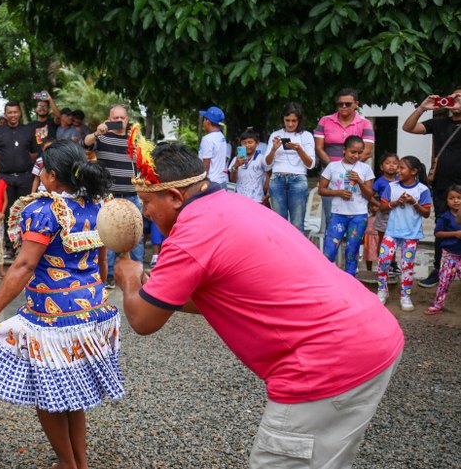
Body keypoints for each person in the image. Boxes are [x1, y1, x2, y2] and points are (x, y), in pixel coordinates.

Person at [115, 141, 403, 469]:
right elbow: (220, 296)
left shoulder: (189, 235)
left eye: (147, 202)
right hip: (371, 334)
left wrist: (127, 278)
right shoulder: (229, 204)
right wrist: (161, 292)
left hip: (325, 360)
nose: (145, 212)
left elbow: (142, 320)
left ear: (176, 197)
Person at [0, 139, 123, 469]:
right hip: (92, 313)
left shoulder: (42, 211)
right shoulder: (97, 205)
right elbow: (103, 259)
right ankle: (78, 462)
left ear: (51, 176)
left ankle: (69, 464)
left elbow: (23, 266)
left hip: (54, 322)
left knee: (50, 397)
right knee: (72, 395)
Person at [402, 89, 461, 289]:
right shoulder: (439, 123)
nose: (457, 100)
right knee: (442, 226)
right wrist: (422, 108)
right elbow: (408, 127)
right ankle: (439, 269)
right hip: (442, 187)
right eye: (454, 96)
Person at [83, 105, 144, 284]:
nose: (119, 121)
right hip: (109, 196)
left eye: (122, 118)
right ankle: (107, 275)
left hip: (132, 195)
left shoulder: (135, 140)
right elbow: (84, 143)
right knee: (108, 234)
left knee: (135, 235)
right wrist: (96, 133)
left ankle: (138, 273)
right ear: (109, 119)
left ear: (127, 119)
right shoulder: (102, 137)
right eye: (115, 118)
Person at [314, 88, 375, 232]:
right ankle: (333, 254)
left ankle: (351, 251)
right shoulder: (325, 121)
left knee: (355, 213)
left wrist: (348, 167)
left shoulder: (364, 123)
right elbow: (319, 148)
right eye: (340, 104)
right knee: (331, 215)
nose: (343, 107)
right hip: (330, 173)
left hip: (356, 173)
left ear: (356, 104)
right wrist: (334, 168)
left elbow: (367, 151)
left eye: (347, 104)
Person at [377, 156, 432, 310]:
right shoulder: (392, 186)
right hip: (392, 231)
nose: (397, 170)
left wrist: (413, 202)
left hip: (411, 234)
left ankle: (405, 296)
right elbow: (382, 207)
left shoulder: (422, 190)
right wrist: (396, 202)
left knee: (407, 265)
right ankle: (382, 290)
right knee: (384, 260)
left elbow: (426, 213)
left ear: (414, 171)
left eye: (401, 168)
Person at [318, 136, 375, 276]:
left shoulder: (365, 168)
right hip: (338, 214)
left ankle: (350, 281)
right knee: (329, 250)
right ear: (344, 150)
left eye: (359, 152)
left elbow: (369, 195)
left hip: (359, 215)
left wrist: (360, 182)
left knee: (352, 250)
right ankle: (327, 278)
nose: (356, 156)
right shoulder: (333, 166)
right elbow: (321, 189)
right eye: (352, 152)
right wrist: (338, 192)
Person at [0, 102, 39, 256]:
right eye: (9, 112)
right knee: (8, 212)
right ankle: (10, 247)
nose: (12, 115)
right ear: (5, 114)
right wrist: (7, 164)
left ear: (19, 113)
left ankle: (24, 247)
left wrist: (22, 163)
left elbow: (34, 152)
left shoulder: (28, 130)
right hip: (5, 178)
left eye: (15, 112)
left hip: (25, 177)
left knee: (25, 212)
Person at [264, 102, 316, 231]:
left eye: (294, 120)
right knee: (278, 223)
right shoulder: (275, 134)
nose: (291, 124)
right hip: (277, 179)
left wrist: (299, 149)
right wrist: (274, 149)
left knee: (297, 224)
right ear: (283, 119)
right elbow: (266, 164)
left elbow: (311, 164)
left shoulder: (306, 135)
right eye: (287, 120)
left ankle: (295, 251)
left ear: (299, 120)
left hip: (298, 179)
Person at [425, 184, 461, 315]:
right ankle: (437, 305)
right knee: (444, 281)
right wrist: (455, 234)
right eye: (452, 198)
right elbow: (438, 233)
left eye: (459, 197)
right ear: (446, 200)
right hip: (449, 255)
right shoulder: (444, 217)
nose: (456, 200)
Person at [369, 153, 400, 274]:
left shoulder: (400, 180)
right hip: (384, 214)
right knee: (383, 240)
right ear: (382, 167)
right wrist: (377, 205)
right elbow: (369, 195)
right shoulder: (379, 181)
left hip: (397, 214)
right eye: (388, 163)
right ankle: (382, 264)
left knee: (394, 240)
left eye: (394, 163)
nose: (391, 166)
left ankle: (393, 264)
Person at [228, 127, 269, 204]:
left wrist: (267, 193)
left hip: (257, 199)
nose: (247, 145)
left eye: (250, 142)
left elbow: (269, 175)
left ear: (257, 143)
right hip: (239, 199)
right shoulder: (236, 159)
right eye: (244, 143)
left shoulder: (261, 158)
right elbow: (233, 180)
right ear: (240, 144)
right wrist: (236, 165)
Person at [197, 105, 228, 188]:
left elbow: (206, 164)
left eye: (204, 119)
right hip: (221, 181)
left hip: (211, 183)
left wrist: (201, 183)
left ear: (208, 121)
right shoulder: (221, 137)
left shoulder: (207, 139)